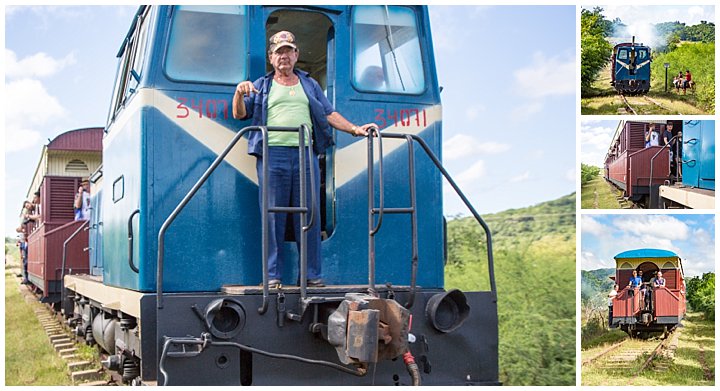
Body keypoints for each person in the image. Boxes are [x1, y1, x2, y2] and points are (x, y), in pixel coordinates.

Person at [233, 30, 377, 289]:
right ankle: (273, 276)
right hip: (272, 154)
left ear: (296, 54)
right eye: (279, 52)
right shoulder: (262, 85)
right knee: (272, 214)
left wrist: (355, 129)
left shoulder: (308, 84)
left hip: (305, 152)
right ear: (271, 58)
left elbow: (329, 113)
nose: (284, 56)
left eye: (288, 51)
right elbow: (240, 114)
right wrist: (238, 93)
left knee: (309, 214)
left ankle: (311, 275)